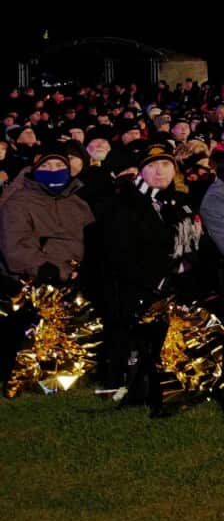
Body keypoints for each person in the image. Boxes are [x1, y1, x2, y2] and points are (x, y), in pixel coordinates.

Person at [96, 142, 205, 405]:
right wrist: (163, 277)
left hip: (181, 284)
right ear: (140, 171)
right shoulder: (125, 204)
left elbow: (195, 245)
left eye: (166, 164)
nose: (160, 171)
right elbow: (122, 257)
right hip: (143, 290)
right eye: (152, 166)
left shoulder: (181, 202)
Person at [0, 144, 95, 282]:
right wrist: (50, 270)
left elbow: (93, 241)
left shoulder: (79, 204)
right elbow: (15, 246)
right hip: (38, 279)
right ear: (35, 170)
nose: (53, 171)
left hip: (80, 277)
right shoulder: (18, 203)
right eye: (45, 166)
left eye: (59, 165)